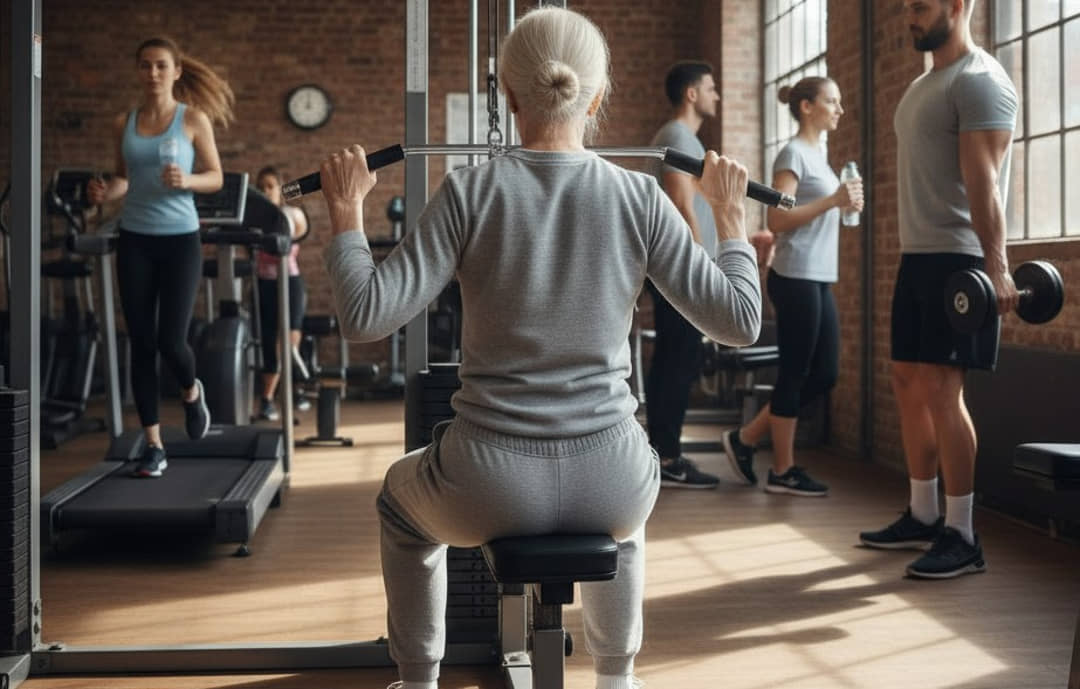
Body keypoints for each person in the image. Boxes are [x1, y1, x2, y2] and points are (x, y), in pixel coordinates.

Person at [318, 8, 761, 689]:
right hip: (609, 473)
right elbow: (739, 320)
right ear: (598, 95)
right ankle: (617, 677)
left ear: (508, 94)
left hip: (486, 480)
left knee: (397, 504)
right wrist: (730, 218)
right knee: (629, 509)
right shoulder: (641, 196)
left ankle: (418, 679)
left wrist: (346, 212)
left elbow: (364, 315)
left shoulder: (469, 188)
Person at [859, 0, 1018, 579]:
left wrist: (996, 266)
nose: (909, 17)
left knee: (944, 390)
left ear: (957, 6)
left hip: (960, 259)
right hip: (917, 257)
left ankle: (962, 532)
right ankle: (924, 514)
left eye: (920, 7)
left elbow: (986, 182)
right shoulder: (924, 84)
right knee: (907, 381)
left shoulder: (980, 82)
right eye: (905, 8)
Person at [87, 37, 233, 477]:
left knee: (172, 341)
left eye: (160, 66)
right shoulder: (124, 123)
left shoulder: (193, 120)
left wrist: (187, 180)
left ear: (175, 71)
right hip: (134, 239)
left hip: (180, 241)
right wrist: (104, 193)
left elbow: (216, 177)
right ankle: (153, 444)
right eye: (145, 66)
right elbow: (123, 179)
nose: (152, 73)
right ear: (139, 71)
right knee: (141, 343)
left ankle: (191, 392)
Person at [721, 76, 863, 497]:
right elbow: (777, 220)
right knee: (796, 372)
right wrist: (833, 201)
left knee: (825, 373)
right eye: (831, 102)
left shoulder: (821, 156)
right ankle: (782, 470)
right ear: (806, 107)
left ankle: (746, 438)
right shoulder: (793, 153)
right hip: (794, 275)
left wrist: (843, 203)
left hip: (819, 277)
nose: (839, 110)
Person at [644, 61, 733, 489]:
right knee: (677, 363)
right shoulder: (678, 137)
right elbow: (680, 204)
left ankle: (664, 454)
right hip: (683, 272)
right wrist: (703, 269)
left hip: (680, 270)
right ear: (692, 94)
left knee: (674, 361)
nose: (718, 95)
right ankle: (668, 457)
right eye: (712, 88)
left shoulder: (682, 139)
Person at [252, 166, 310, 421]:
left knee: (288, 341)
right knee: (267, 340)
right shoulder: (252, 218)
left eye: (270, 186)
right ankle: (266, 400)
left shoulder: (290, 214)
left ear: (280, 189)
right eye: (261, 187)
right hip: (263, 284)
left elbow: (297, 228)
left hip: (290, 282)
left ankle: (295, 390)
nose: (266, 191)